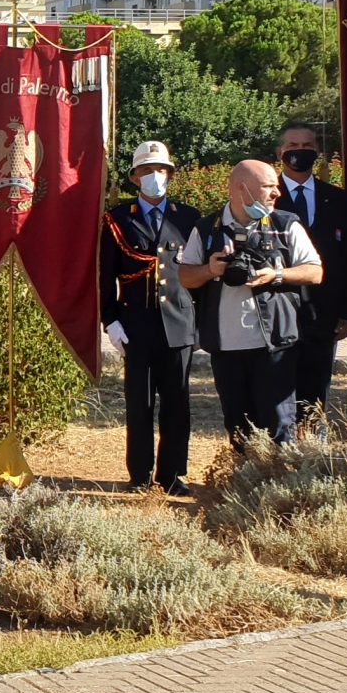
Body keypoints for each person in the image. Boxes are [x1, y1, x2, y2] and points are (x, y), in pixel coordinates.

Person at [178, 160, 323, 447]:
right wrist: (210, 270)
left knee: (280, 427)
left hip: (274, 345)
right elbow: (185, 275)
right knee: (237, 427)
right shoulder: (207, 228)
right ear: (241, 188)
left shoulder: (285, 224)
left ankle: (278, 489)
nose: (276, 193)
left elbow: (315, 272)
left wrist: (277, 275)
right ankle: (243, 486)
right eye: (269, 186)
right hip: (226, 347)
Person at [101, 141, 203, 495]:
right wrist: (110, 320)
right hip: (136, 325)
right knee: (140, 402)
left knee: (177, 401)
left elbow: (200, 275)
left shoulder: (189, 218)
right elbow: (105, 275)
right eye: (147, 171)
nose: (155, 177)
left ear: (170, 176)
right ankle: (140, 475)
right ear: (134, 177)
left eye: (161, 170)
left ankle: (173, 474)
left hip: (179, 322)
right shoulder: (117, 219)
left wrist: (199, 322)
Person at [276, 125, 347, 424]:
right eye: (293, 144)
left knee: (316, 393)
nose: (301, 150)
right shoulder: (266, 198)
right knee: (276, 391)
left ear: (318, 152)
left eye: (308, 145)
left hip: (323, 314)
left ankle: (312, 451)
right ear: (280, 153)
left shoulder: (339, 200)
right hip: (277, 311)